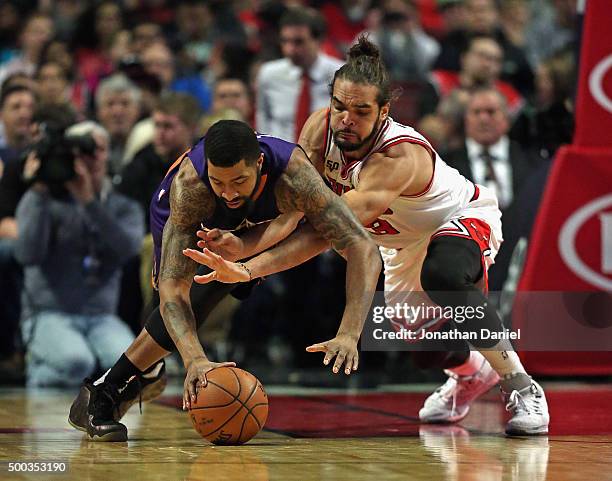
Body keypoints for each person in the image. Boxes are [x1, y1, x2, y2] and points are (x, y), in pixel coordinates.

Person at [185, 37, 550, 437]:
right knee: (426, 351)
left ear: (383, 112)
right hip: (399, 245)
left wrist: (251, 269)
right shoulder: (319, 129)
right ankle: (469, 373)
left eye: (361, 111)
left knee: (444, 275)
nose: (346, 119)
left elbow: (323, 234)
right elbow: (294, 211)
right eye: (340, 106)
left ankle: (522, 386)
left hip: (458, 218)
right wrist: (243, 248)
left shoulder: (396, 159)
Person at [68, 119, 381, 441]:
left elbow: (363, 246)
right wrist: (195, 361)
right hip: (188, 216)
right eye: (219, 182)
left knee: (229, 281)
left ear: (259, 164)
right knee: (193, 297)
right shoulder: (192, 187)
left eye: (239, 181)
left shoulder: (295, 176)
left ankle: (135, 377)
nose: (229, 192)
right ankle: (106, 391)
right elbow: (174, 291)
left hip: (255, 221)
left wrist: (350, 332)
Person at [14, 121, 143, 387]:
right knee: (77, 362)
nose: (91, 158)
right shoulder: (42, 200)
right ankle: (39, 373)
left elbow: (129, 250)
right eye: (82, 151)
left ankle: (82, 379)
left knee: (131, 369)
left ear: (108, 154)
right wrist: (39, 189)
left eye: (98, 150)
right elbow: (27, 254)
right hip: (48, 312)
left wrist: (89, 202)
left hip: (102, 316)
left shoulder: (123, 206)